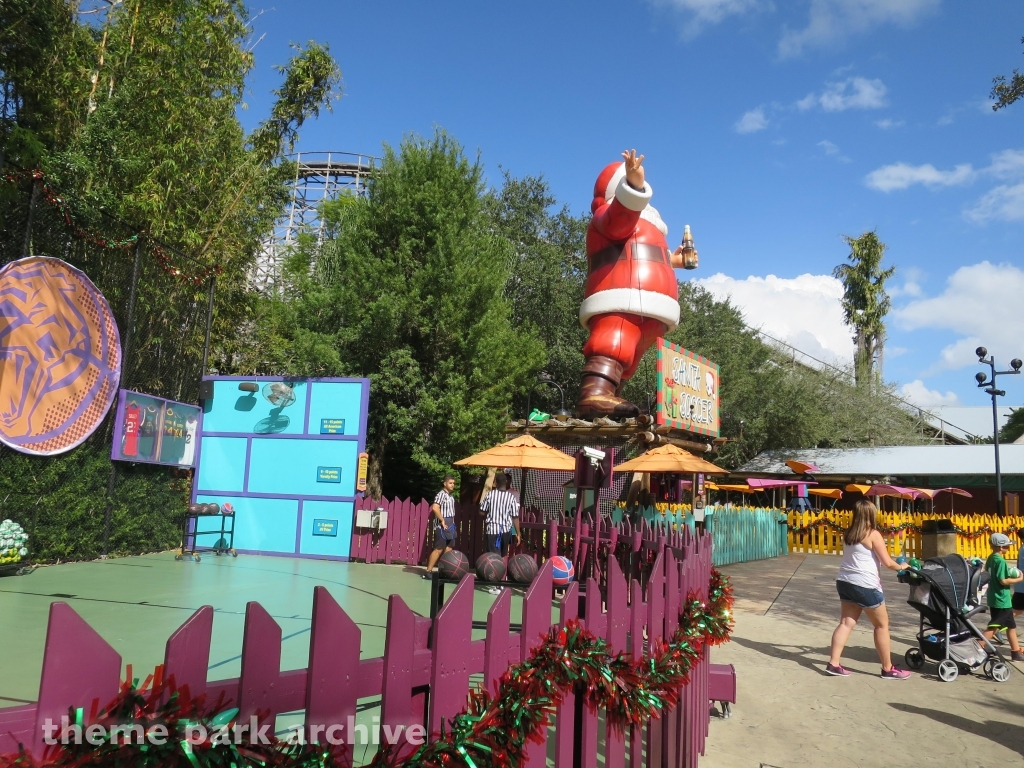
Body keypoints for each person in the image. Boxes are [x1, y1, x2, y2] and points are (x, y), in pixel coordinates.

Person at [576, 149, 695, 417]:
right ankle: (594, 392)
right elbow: (619, 222)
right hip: (621, 296)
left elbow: (644, 252)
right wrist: (634, 185)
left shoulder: (647, 225)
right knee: (614, 342)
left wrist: (672, 260)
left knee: (629, 356)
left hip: (651, 307)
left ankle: (611, 395)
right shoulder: (608, 217)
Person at [826, 500, 912, 679]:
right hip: (865, 585)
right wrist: (903, 566)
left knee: (846, 623)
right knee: (881, 625)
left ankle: (833, 663)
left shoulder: (849, 533)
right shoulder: (873, 534)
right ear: (871, 514)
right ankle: (887, 668)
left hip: (845, 581)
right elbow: (888, 563)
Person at [983, 532, 1024, 661]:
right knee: (995, 625)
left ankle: (1015, 651)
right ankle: (979, 645)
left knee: (1011, 626)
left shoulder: (991, 558)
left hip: (995, 597)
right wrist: (1019, 579)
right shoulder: (1000, 561)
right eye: (1007, 546)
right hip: (1002, 599)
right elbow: (1003, 581)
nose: (1009, 547)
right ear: (1001, 547)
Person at [479, 472, 522, 594]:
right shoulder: (511, 497)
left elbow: (482, 512)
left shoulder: (490, 495)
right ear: (506, 483)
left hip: (492, 530)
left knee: (494, 556)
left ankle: (496, 584)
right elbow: (515, 517)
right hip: (506, 531)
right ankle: (500, 583)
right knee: (502, 556)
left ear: (495, 482)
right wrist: (518, 533)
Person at [423, 475, 457, 579]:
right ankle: (428, 571)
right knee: (438, 548)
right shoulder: (441, 494)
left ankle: (443, 571)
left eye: (453, 483)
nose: (452, 485)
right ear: (445, 483)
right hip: (442, 524)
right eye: (450, 483)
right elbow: (435, 507)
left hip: (451, 523)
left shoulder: (450, 496)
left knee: (449, 548)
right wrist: (442, 520)